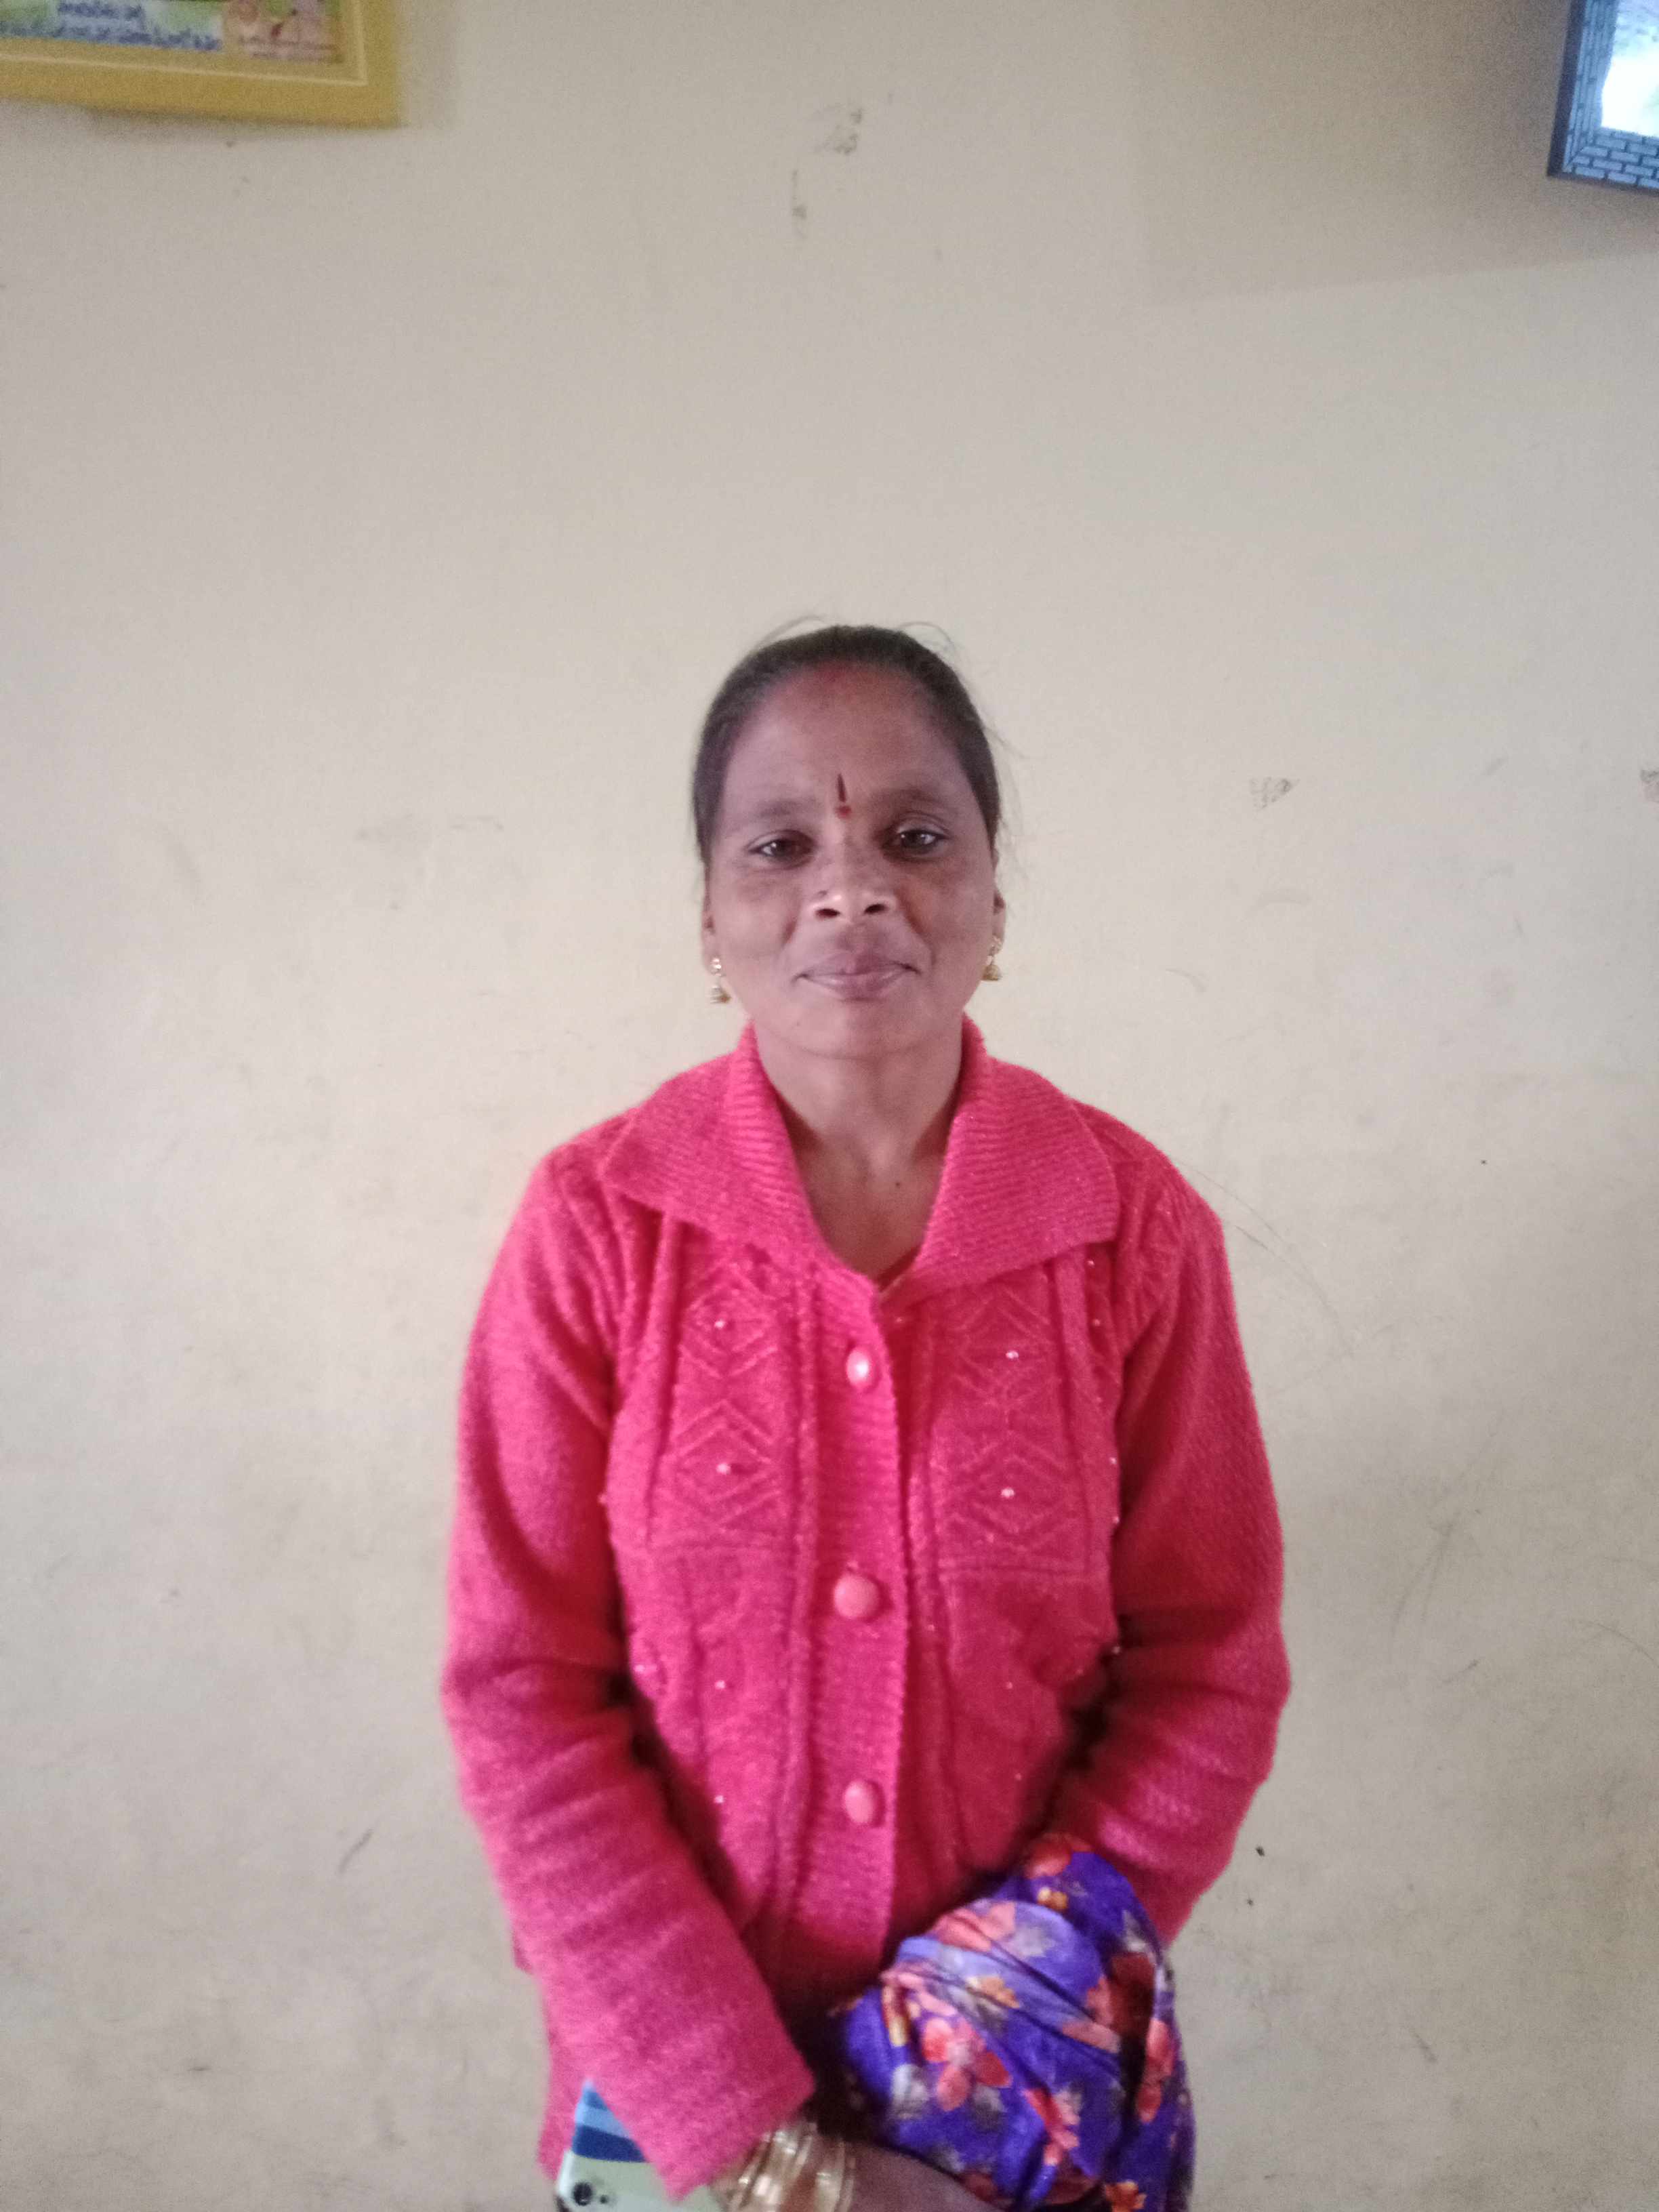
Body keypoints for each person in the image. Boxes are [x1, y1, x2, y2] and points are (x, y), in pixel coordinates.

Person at [441, 626, 1290, 2212]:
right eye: (780, 847)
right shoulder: (597, 1229)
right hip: (669, 2109)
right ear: (710, 916)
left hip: (1014, 2113)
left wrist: (983, 2050)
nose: (852, 889)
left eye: (914, 836)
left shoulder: (1132, 1232)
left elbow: (1211, 1664)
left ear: (993, 900)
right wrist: (755, 2150)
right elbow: (521, 1694)